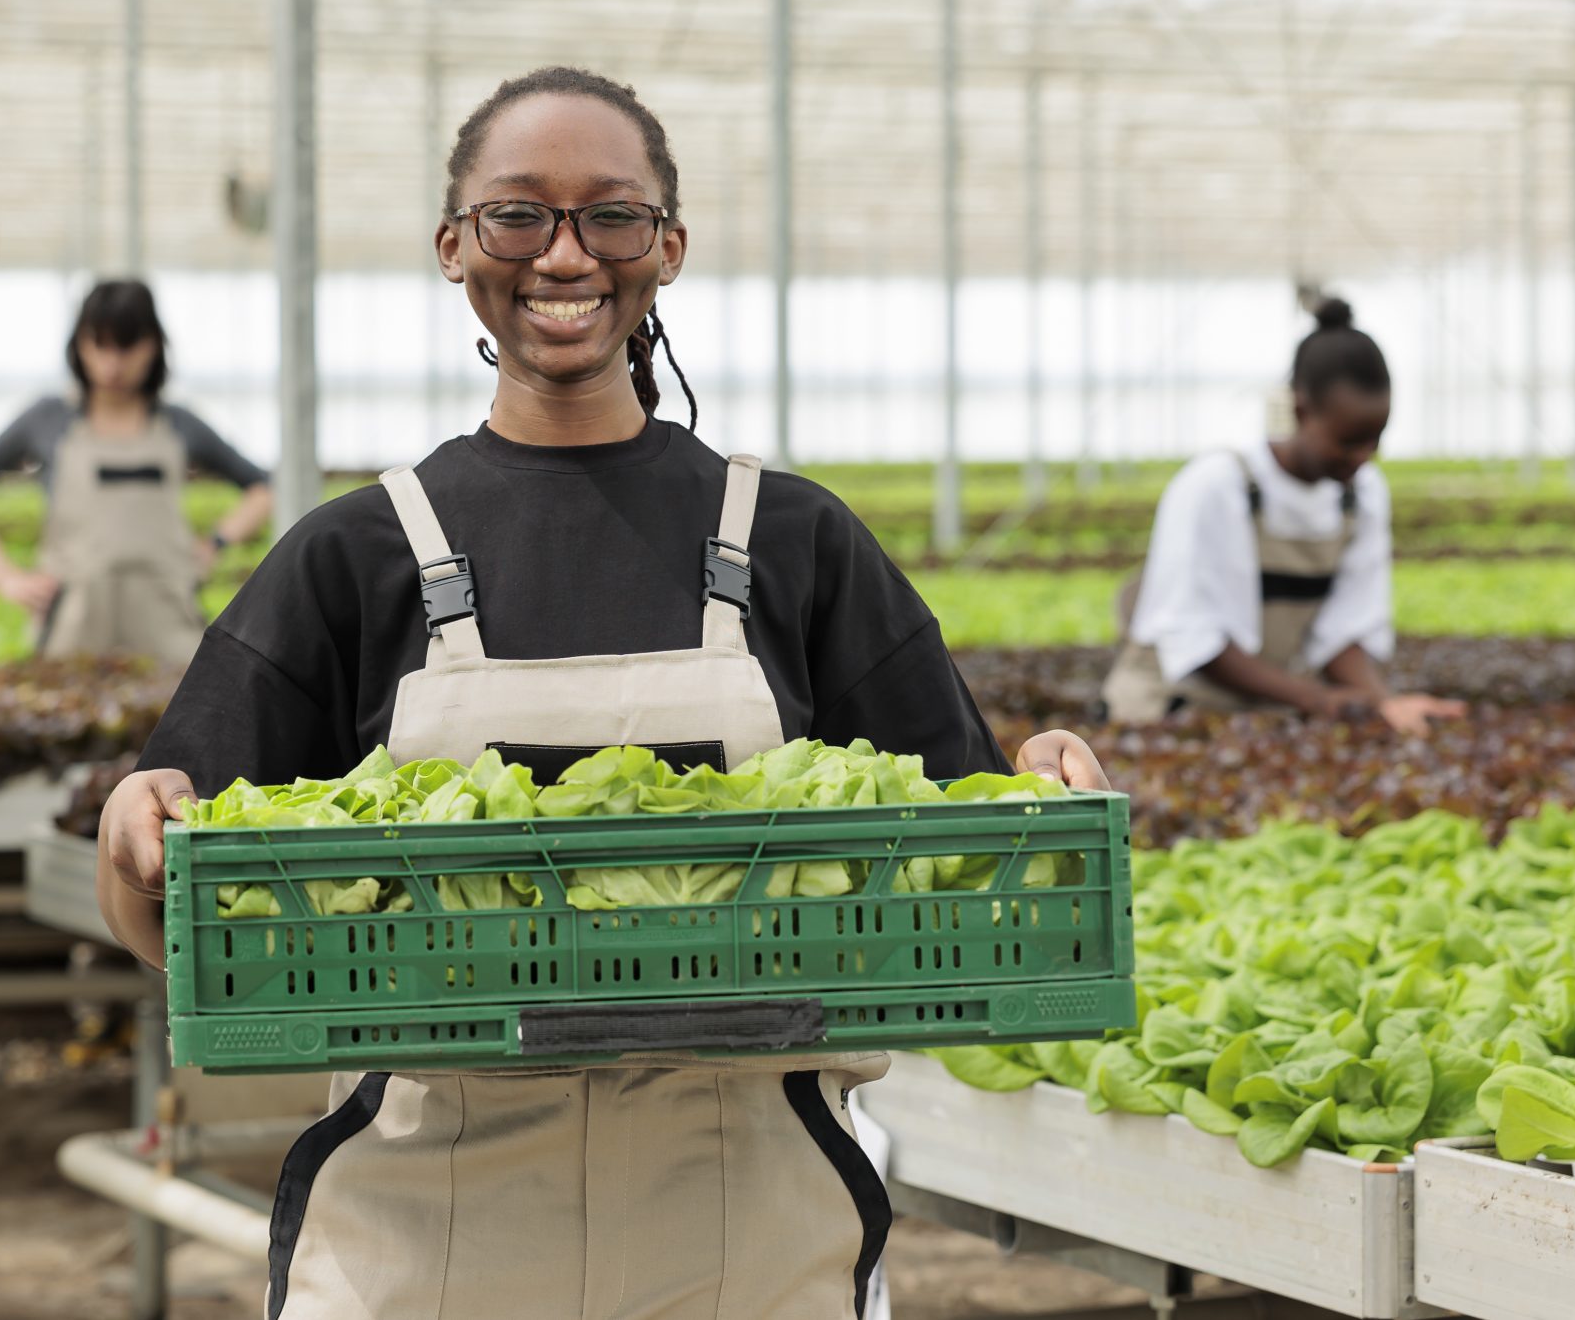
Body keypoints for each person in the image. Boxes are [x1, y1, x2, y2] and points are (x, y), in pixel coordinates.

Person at [93, 65, 1108, 1320]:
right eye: (518, 215)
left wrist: (1042, 803)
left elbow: (969, 867)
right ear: (453, 246)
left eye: (609, 216)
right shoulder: (353, 555)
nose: (562, 255)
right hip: (424, 1248)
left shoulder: (793, 539)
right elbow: (172, 911)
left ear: (667, 247)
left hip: (754, 1235)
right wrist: (130, 833)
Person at [1101, 298, 1464, 733]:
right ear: (1300, 411)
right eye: (1348, 441)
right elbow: (1198, 642)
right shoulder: (1216, 486)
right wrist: (1319, 700)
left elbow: (1342, 632)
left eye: (1376, 439)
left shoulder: (1362, 495)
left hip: (1259, 713)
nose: (1363, 457)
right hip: (1169, 708)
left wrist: (1382, 705)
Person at [0, 279, 273, 666]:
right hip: (73, 627)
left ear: (152, 346)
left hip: (168, 626)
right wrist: (4, 576)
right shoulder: (49, 420)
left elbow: (263, 486)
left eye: (127, 346)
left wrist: (215, 543)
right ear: (80, 345)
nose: (113, 363)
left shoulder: (179, 425)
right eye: (101, 345)